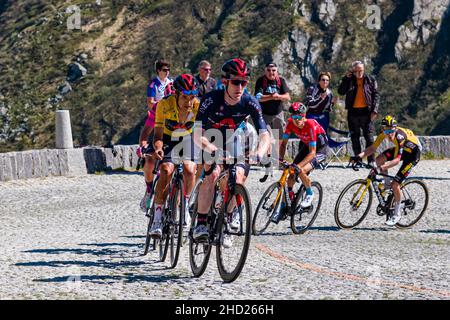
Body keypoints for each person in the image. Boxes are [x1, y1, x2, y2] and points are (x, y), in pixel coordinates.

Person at [192, 58, 271, 246]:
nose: (240, 87)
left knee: (238, 177)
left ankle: (229, 215)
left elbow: (264, 134)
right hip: (209, 140)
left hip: (234, 140)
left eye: (244, 82)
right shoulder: (210, 99)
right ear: (225, 81)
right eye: (236, 82)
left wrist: (259, 153)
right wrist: (213, 150)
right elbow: (197, 134)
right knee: (213, 173)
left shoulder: (249, 102)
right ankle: (201, 222)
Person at [146, 74, 201, 237]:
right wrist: (158, 148)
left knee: (190, 169)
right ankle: (157, 215)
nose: (189, 102)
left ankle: (184, 206)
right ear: (176, 94)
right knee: (166, 170)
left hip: (187, 138)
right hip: (167, 138)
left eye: (192, 97)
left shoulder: (198, 106)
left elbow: (201, 133)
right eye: (185, 97)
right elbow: (157, 135)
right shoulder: (164, 104)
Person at [355, 115, 422, 226]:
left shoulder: (400, 137)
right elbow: (372, 148)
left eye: (391, 130)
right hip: (403, 150)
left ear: (395, 129)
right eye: (386, 131)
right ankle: (386, 184)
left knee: (396, 184)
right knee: (378, 159)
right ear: (382, 130)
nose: (389, 134)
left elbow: (396, 160)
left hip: (414, 154)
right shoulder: (383, 134)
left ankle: (396, 214)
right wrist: (359, 156)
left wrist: (381, 169)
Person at [138, 59, 174, 212]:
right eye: (164, 69)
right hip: (157, 117)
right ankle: (148, 189)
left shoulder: (171, 83)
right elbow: (150, 102)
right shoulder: (153, 85)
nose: (167, 72)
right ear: (158, 70)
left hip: (174, 129)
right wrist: (143, 145)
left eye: (168, 69)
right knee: (149, 160)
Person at [278, 102, 328, 209]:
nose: (296, 120)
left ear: (304, 115)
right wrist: (280, 159)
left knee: (301, 170)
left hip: (320, 150)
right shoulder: (290, 123)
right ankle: (288, 199)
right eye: (294, 116)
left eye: (299, 116)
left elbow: (313, 153)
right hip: (306, 146)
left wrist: (299, 166)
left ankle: (310, 193)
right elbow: (283, 144)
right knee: (291, 172)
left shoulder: (310, 124)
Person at [337, 60, 379, 165]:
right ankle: (358, 160)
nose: (359, 73)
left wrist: (374, 110)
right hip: (353, 112)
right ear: (353, 71)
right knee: (355, 137)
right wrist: (346, 79)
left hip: (367, 112)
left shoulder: (370, 80)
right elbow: (341, 91)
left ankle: (371, 160)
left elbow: (376, 96)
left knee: (369, 137)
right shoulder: (349, 80)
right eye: (357, 71)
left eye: (361, 70)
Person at [254, 62, 290, 152]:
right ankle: (268, 158)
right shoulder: (260, 81)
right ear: (265, 71)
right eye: (268, 70)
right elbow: (258, 97)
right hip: (264, 115)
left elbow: (287, 97)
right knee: (266, 136)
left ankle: (278, 158)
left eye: (273, 70)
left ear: (277, 71)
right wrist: (271, 97)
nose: (271, 72)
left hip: (278, 114)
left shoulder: (281, 81)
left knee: (279, 137)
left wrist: (277, 96)